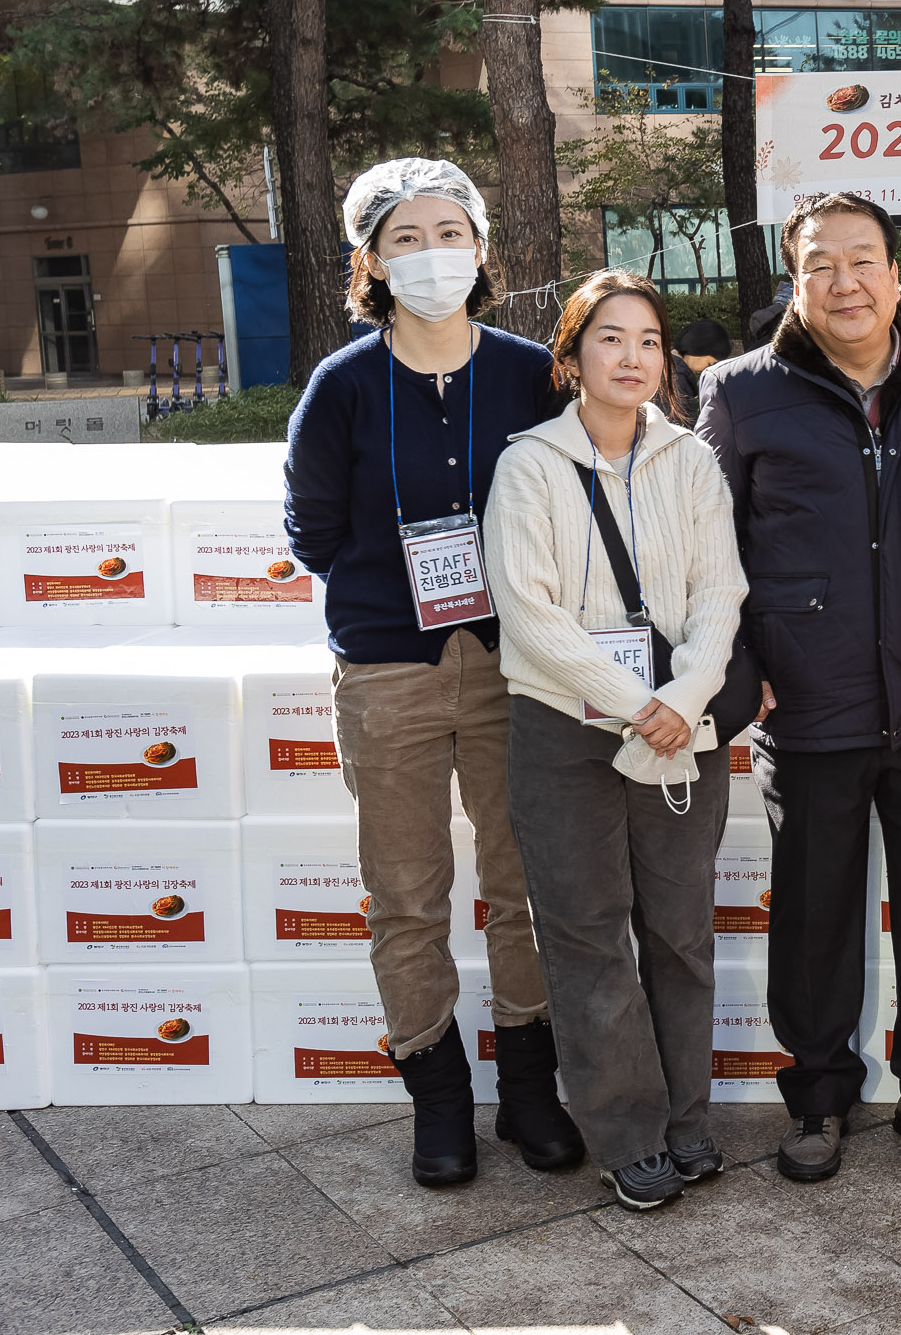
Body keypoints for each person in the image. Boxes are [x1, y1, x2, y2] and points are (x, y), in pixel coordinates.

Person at [283, 157, 581, 1189]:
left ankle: (533, 1089)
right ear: (370, 259)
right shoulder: (344, 385)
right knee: (406, 893)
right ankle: (440, 1098)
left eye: (448, 231)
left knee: (526, 885)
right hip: (389, 668)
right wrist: (397, 580)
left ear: (482, 247)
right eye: (404, 237)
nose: (430, 252)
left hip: (517, 665)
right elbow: (311, 529)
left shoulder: (528, 370)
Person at [695, 194, 901, 1185]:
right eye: (822, 263)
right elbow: (707, 553)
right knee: (813, 917)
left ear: (898, 272)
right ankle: (817, 1098)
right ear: (795, 277)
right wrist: (746, 677)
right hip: (808, 705)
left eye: (863, 260)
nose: (845, 281)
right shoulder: (740, 393)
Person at [483, 269, 748, 1213]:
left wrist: (684, 693)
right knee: (588, 937)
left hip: (685, 723)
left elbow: (722, 593)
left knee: (680, 934)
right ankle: (627, 1134)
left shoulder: (691, 460)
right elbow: (530, 611)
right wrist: (641, 704)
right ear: (569, 359)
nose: (631, 356)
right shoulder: (529, 466)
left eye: (646, 339)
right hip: (565, 730)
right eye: (608, 339)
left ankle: (685, 1119)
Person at [670, 318, 732, 422]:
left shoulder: (669, 367)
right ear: (697, 349)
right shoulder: (677, 378)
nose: (707, 369)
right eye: (710, 363)